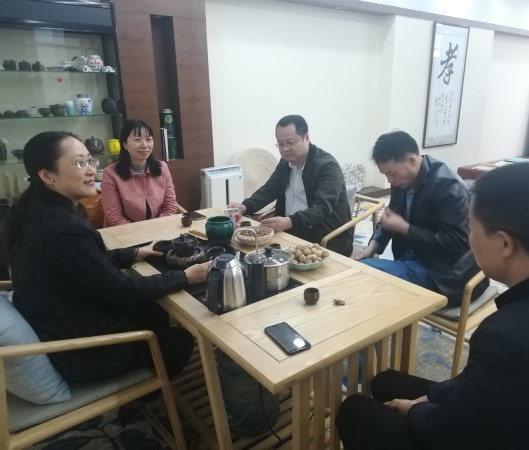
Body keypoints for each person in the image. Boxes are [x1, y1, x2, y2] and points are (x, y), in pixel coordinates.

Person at [336, 163, 529, 449]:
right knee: (385, 382)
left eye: (472, 230)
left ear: (505, 244)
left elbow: (449, 432)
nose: (469, 241)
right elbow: (481, 382)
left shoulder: (507, 334)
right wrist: (431, 398)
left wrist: (415, 410)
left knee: (354, 411)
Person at [1, 131, 210, 382]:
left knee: (153, 308)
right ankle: (146, 393)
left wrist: (134, 252)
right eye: (79, 163)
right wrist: (186, 277)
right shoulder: (63, 228)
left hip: (58, 324)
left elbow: (85, 264)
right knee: (180, 341)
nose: (91, 170)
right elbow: (123, 290)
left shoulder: (32, 211)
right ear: (47, 175)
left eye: (90, 160)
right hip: (79, 351)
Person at [354, 131, 486, 307]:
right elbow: (390, 218)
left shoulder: (447, 185)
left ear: (411, 161)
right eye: (385, 175)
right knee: (360, 269)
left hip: (445, 272)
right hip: (413, 256)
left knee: (368, 275)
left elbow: (456, 242)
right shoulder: (403, 179)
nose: (389, 180)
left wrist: (405, 228)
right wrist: (373, 246)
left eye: (391, 173)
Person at [228, 115, 353, 256]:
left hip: (323, 235)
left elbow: (322, 208)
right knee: (244, 250)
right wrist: (245, 206)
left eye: (290, 142)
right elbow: (270, 189)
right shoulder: (285, 162)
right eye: (280, 144)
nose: (285, 149)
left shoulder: (327, 166)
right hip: (291, 229)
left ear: (306, 137)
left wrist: (289, 222)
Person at [102, 119, 178, 227]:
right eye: (138, 140)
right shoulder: (110, 173)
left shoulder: (162, 168)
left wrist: (157, 229)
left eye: (148, 139)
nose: (145, 145)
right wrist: (141, 232)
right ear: (125, 144)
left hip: (160, 229)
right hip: (124, 232)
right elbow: (114, 216)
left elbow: (170, 206)